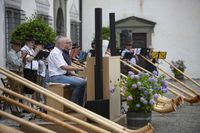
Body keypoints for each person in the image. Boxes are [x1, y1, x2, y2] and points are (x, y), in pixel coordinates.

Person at [48, 35, 86, 106]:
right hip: (56, 77)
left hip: (61, 76)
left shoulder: (59, 52)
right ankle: (73, 105)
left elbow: (67, 67)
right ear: (58, 43)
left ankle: (80, 105)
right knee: (81, 83)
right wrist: (79, 68)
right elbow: (64, 67)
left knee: (83, 82)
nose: (65, 45)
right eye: (64, 43)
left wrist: (77, 75)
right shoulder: (55, 53)